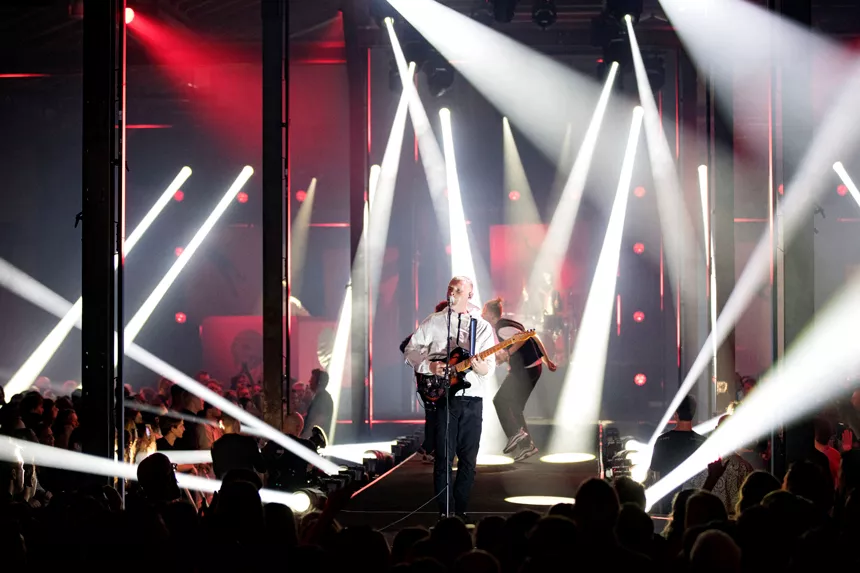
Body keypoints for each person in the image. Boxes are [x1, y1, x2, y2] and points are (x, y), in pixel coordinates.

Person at [404, 276, 495, 520]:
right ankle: (445, 513)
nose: (452, 293)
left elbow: (489, 369)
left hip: (472, 398)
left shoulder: (481, 326)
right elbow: (410, 351)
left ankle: (460, 511)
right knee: (444, 457)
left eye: (458, 290)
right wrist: (430, 366)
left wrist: (479, 366)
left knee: (468, 459)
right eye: (450, 289)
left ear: (469, 294)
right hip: (444, 397)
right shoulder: (434, 321)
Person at [482, 297, 556, 462]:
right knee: (515, 407)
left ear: (491, 315)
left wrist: (507, 354)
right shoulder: (507, 324)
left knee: (499, 401)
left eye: (484, 312)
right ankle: (527, 446)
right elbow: (533, 337)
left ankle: (515, 434)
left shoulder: (501, 328)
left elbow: (523, 338)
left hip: (526, 371)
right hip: (532, 368)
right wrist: (546, 360)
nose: (481, 314)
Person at [401, 300, 450, 462]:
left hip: (440, 383)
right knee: (433, 415)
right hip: (429, 383)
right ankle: (431, 448)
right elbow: (405, 346)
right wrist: (425, 360)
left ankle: (432, 447)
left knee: (436, 415)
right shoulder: (429, 330)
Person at [649, 395, 706, 512]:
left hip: (668, 499)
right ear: (693, 414)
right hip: (695, 499)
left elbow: (655, 470)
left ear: (676, 414)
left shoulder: (662, 440)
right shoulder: (702, 442)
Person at [301, 369, 333, 439]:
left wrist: (304, 438)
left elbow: (317, 422)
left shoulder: (323, 398)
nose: (309, 381)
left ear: (319, 382)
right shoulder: (320, 397)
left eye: (312, 379)